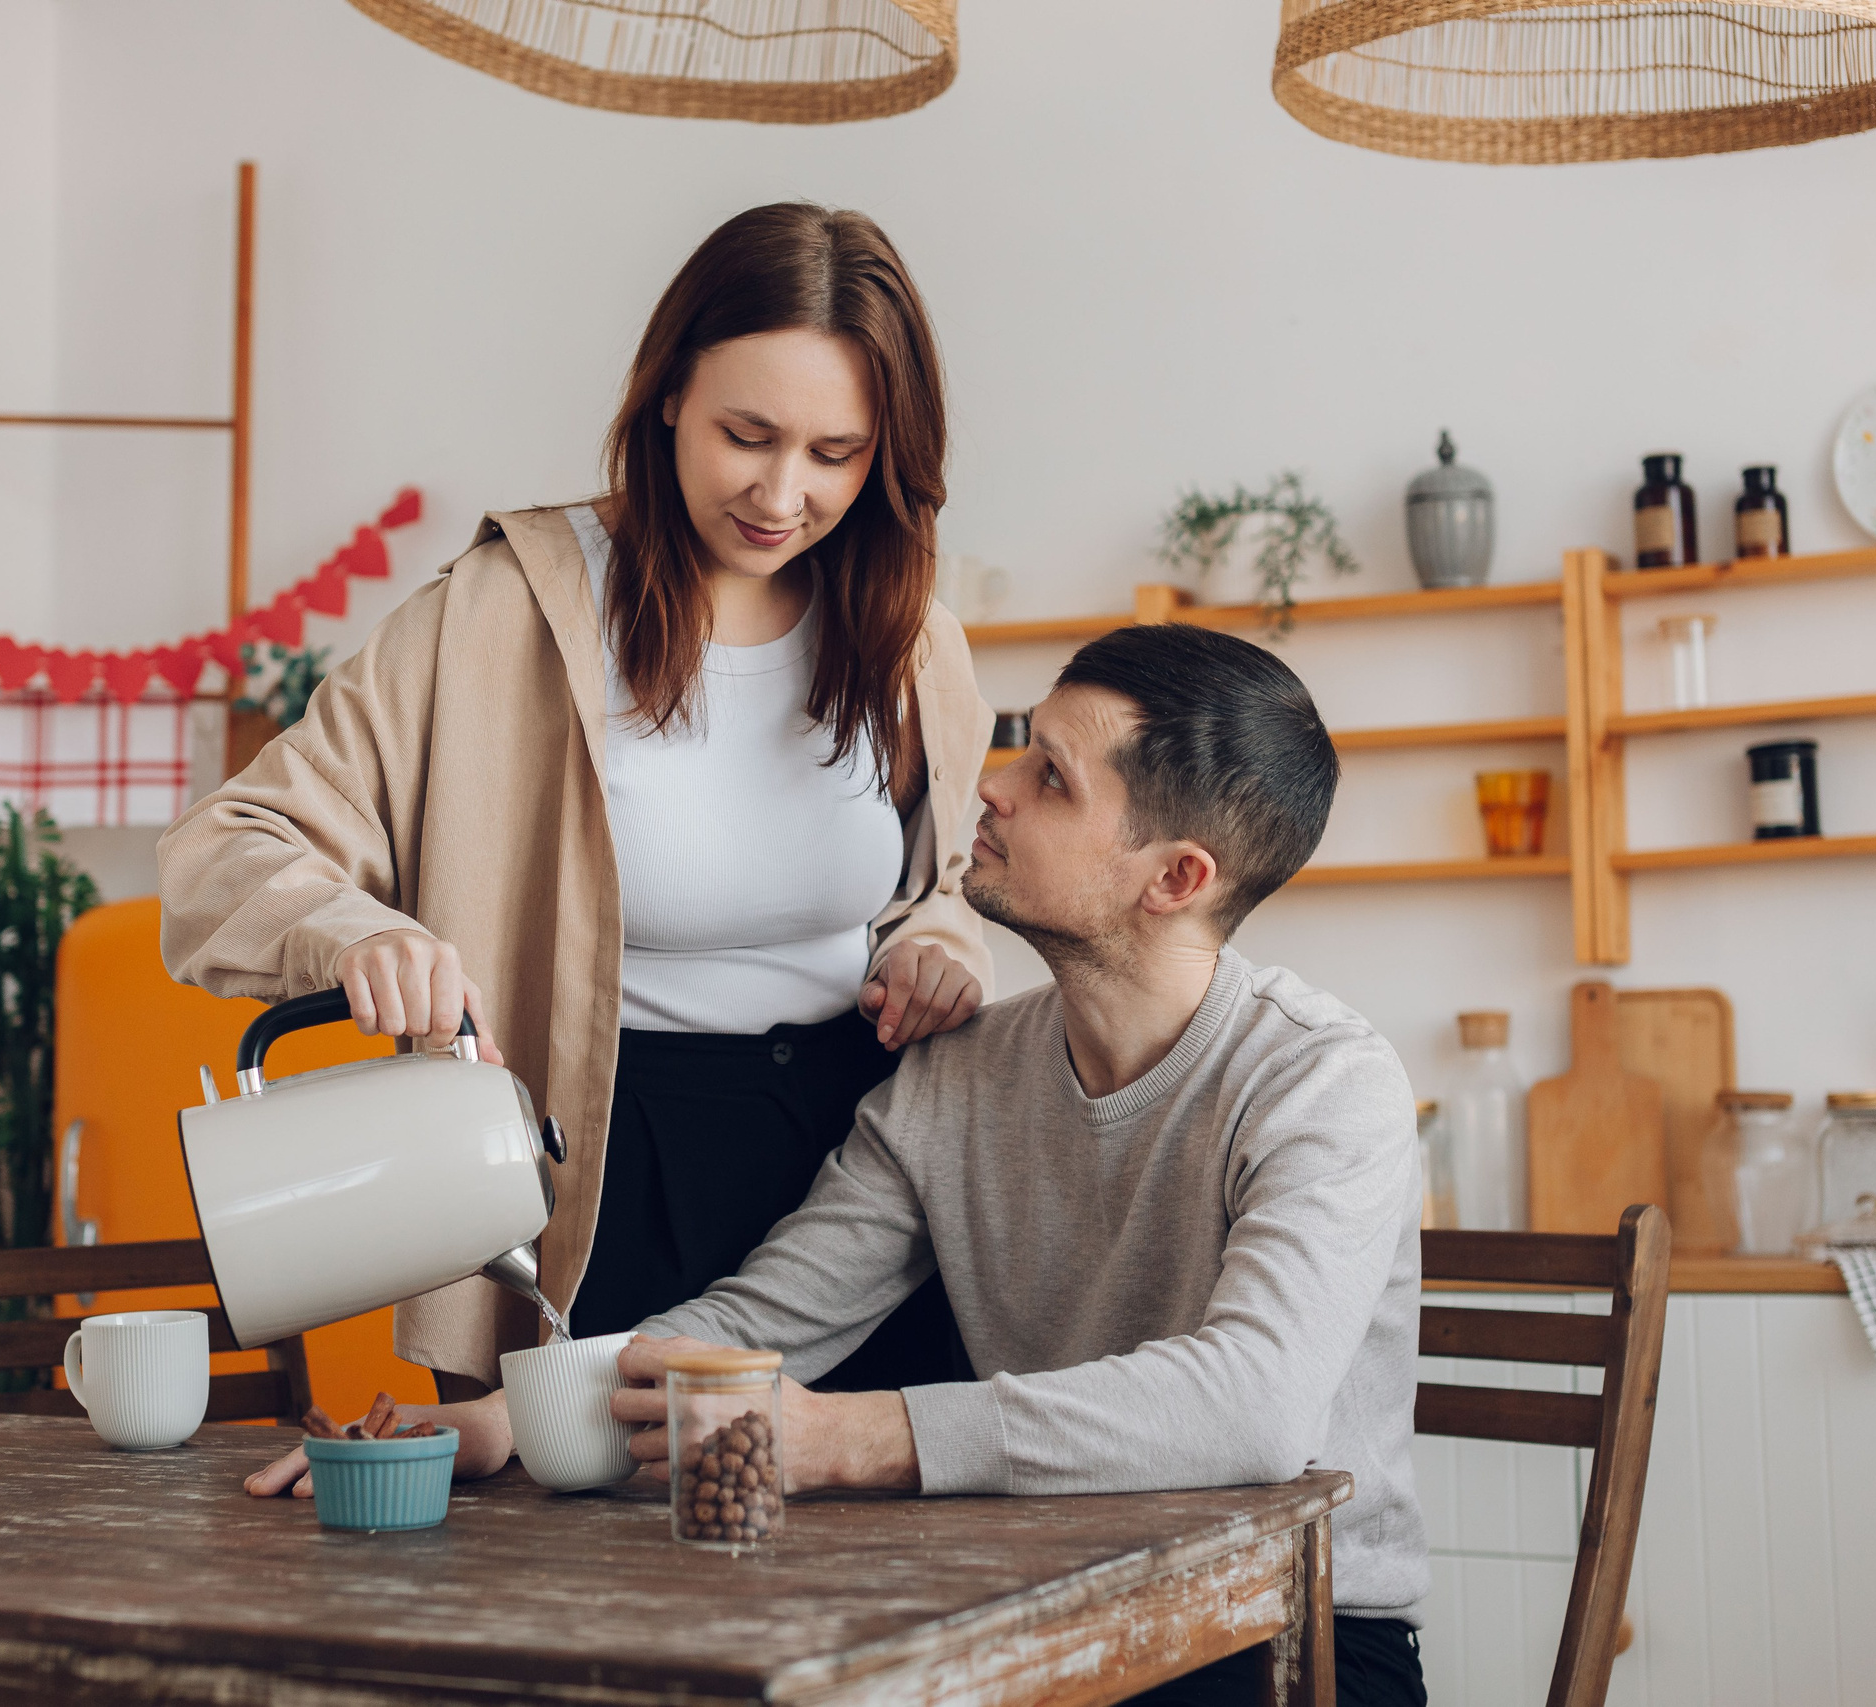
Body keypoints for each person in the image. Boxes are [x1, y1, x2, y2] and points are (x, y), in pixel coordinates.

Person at [265, 622, 1426, 1705]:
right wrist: (525, 1425)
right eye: (1023, 749)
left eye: (1052, 779)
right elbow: (770, 1314)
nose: (993, 784)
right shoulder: (962, 1076)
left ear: (1174, 877)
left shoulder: (1326, 1085)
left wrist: (843, 1441)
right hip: (1052, 1617)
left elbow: (1256, 1408)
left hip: (1288, 1636)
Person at [160, 202, 992, 1410]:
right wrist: (357, 934)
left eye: (836, 454)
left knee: (887, 1570)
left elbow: (943, 884)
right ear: (666, 397)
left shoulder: (911, 636)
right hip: (596, 1171)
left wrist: (938, 941)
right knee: (581, 1571)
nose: (780, 492)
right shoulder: (506, 611)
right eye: (744, 434)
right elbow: (220, 852)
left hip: (863, 1174)